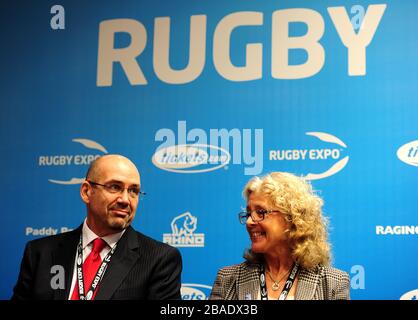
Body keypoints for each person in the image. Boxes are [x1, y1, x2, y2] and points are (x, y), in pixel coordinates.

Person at [12, 154, 182, 300]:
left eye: (133, 191)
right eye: (115, 187)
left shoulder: (159, 259)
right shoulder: (40, 253)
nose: (125, 200)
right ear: (86, 192)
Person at [209, 172, 350, 300]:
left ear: (292, 218)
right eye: (248, 213)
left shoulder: (333, 283)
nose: (249, 221)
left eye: (260, 212)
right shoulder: (228, 279)